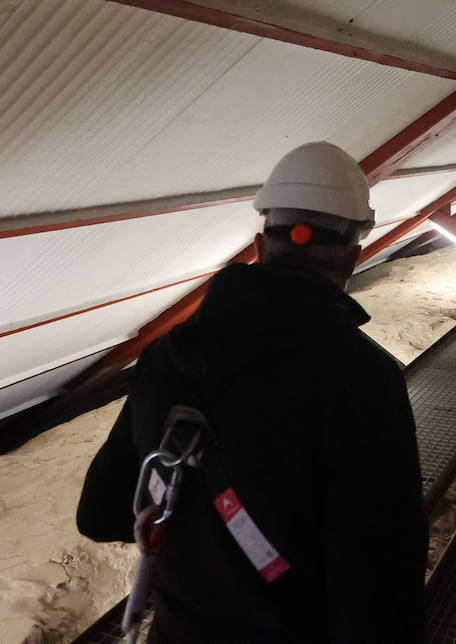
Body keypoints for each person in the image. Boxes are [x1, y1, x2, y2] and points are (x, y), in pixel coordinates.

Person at [76, 142, 427, 643]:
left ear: (261, 246)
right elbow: (381, 580)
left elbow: (101, 514)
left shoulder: (167, 357)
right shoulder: (361, 378)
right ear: (353, 257)